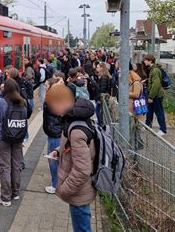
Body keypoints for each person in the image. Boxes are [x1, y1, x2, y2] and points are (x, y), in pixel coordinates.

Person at [46, 85, 96, 232]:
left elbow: (82, 169)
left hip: (78, 193)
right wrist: (59, 151)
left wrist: (64, 189)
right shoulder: (77, 119)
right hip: (80, 191)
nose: (53, 111)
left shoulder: (76, 130)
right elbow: (77, 149)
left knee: (81, 228)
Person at [0, 79, 27, 206]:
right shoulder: (23, 102)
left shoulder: (2, 101)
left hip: (4, 137)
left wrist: (0, 92)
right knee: (16, 165)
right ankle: (15, 193)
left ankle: (5, 197)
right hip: (18, 137)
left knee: (5, 167)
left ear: (5, 89)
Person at [42, 77, 64, 194]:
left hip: (54, 132)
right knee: (57, 159)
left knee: (53, 159)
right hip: (56, 131)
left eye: (47, 85)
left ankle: (55, 185)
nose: (45, 87)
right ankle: (58, 183)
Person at [143, 54, 167, 136]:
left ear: (150, 60)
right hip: (153, 94)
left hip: (156, 95)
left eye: (145, 60)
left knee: (158, 112)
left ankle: (163, 129)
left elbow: (156, 84)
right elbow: (153, 81)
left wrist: (151, 96)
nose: (144, 61)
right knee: (149, 111)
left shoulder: (155, 70)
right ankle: (147, 125)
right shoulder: (152, 69)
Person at [94, 62, 112, 126]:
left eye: (98, 67)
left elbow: (102, 89)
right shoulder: (103, 76)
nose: (96, 68)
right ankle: (100, 124)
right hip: (101, 97)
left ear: (102, 68)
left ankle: (100, 125)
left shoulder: (104, 77)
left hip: (102, 98)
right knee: (99, 112)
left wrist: (94, 83)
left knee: (99, 112)